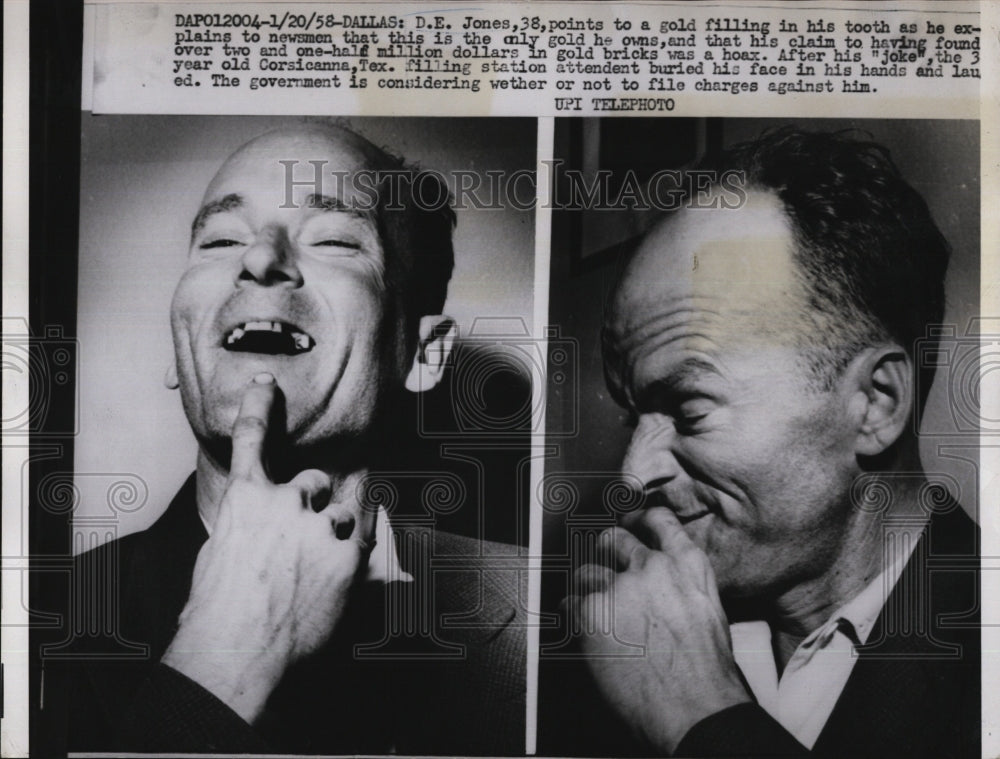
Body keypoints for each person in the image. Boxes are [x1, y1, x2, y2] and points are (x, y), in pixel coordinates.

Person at [48, 123, 526, 755]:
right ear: (178, 345)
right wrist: (218, 663)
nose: (259, 258)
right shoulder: (37, 614)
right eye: (220, 239)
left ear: (422, 354)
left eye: (333, 239)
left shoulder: (553, 618)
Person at [548, 129, 979, 758]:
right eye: (633, 419)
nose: (633, 476)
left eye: (689, 410)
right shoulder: (600, 652)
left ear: (875, 403)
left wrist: (704, 717)